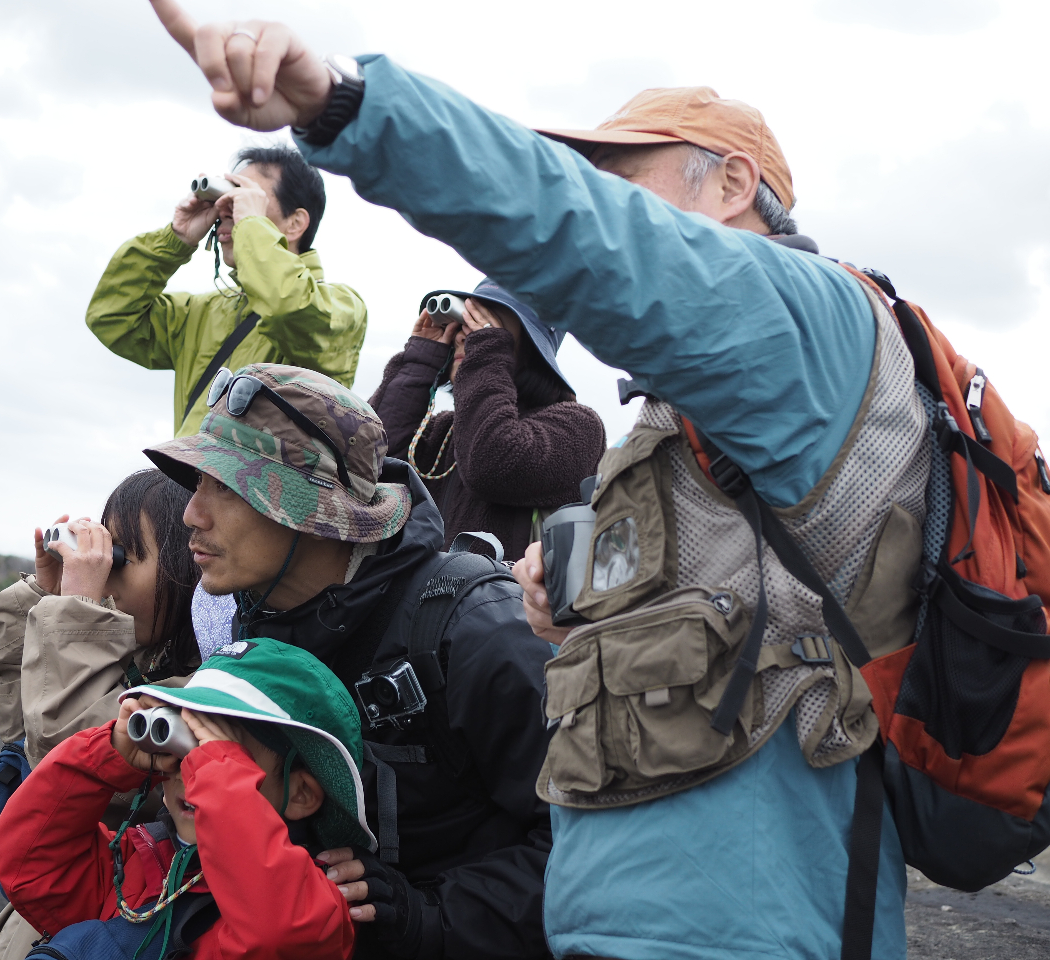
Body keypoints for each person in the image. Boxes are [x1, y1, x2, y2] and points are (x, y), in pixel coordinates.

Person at [149, 13, 929, 960]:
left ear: (732, 184)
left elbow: (579, 240)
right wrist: (573, 625)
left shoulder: (813, 327)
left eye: (624, 184)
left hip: (743, 933)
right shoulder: (689, 433)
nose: (603, 208)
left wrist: (350, 105)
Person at [143, 362, 555, 960]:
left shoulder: (473, 629)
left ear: (313, 511)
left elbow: (591, 843)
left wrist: (427, 918)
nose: (191, 514)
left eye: (227, 488)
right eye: (198, 484)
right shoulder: (259, 623)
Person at [0, 468, 215, 960]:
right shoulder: (137, 661)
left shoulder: (199, 692)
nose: (105, 574)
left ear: (189, 570)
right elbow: (8, 701)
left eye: (121, 558)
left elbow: (69, 756)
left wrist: (78, 611)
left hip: (107, 920)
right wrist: (48, 596)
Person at [0, 637, 370, 960]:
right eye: (184, 743)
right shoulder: (139, 863)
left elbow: (280, 934)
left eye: (223, 753)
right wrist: (109, 754)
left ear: (301, 793)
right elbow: (30, 865)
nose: (190, 772)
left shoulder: (313, 903)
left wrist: (216, 771)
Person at [86, 142, 367, 437]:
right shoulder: (201, 312)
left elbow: (287, 306)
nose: (227, 209)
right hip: (191, 480)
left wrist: (250, 225)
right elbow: (112, 317)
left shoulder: (341, 307)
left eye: (245, 199)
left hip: (263, 482)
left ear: (295, 223)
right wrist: (175, 239)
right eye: (226, 197)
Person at [370, 280, 604, 561]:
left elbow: (491, 462)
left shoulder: (578, 427)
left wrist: (486, 347)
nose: (463, 336)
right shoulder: (441, 433)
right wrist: (420, 360)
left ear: (531, 347)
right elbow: (368, 463)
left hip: (509, 604)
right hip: (421, 603)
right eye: (461, 323)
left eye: (483, 323)